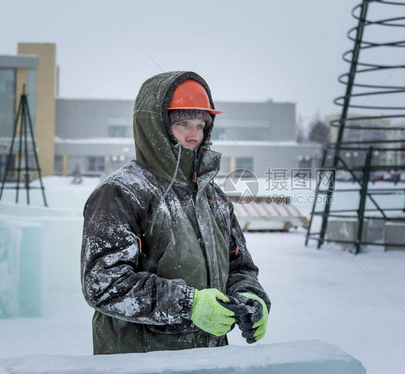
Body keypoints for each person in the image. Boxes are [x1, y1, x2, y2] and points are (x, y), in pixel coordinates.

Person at [81, 71, 270, 354]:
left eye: (200, 125)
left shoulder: (213, 197)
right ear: (156, 127)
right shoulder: (122, 193)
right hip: (140, 361)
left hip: (209, 358)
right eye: (182, 123)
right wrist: (188, 304)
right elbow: (104, 283)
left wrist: (250, 297)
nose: (194, 135)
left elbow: (240, 267)